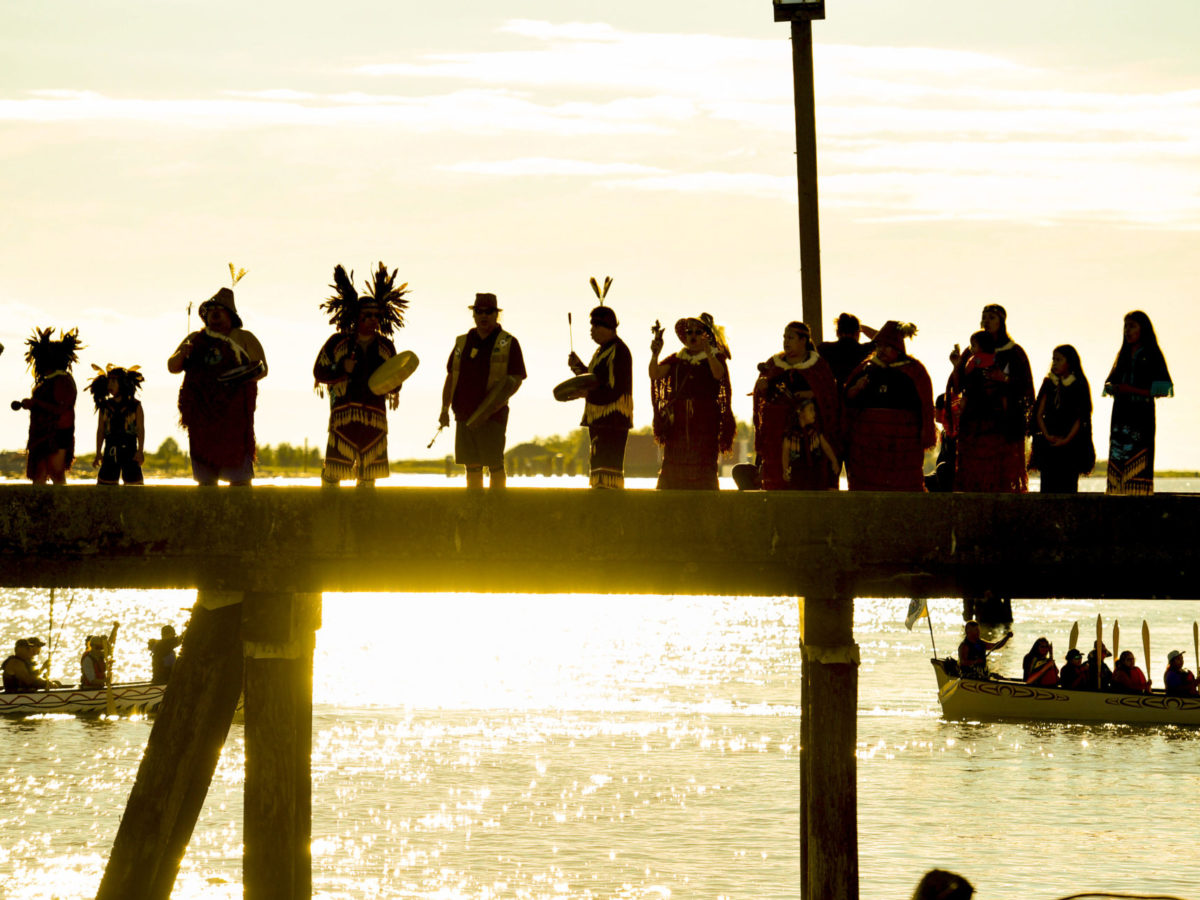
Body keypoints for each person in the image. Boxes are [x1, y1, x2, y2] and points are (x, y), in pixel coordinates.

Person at [313, 263, 410, 487]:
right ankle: (328, 509)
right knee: (334, 473)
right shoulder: (338, 342)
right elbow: (319, 371)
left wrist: (394, 384)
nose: (373, 320)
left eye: (377, 315)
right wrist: (340, 369)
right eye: (368, 315)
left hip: (374, 420)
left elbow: (396, 382)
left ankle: (365, 516)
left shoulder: (386, 347)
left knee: (368, 478)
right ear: (357, 316)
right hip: (343, 418)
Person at [168, 280, 268, 486]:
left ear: (230, 314)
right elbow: (172, 366)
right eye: (210, 310)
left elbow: (262, 369)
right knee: (206, 483)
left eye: (219, 310)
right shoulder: (195, 338)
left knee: (239, 483)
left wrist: (236, 378)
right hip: (202, 418)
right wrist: (182, 354)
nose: (214, 314)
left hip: (233, 418)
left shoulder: (243, 337)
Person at [439, 293, 526, 490]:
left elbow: (516, 379)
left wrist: (494, 403)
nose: (483, 316)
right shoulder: (462, 342)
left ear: (496, 314)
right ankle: (474, 505)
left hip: (493, 414)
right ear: (474, 314)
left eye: (488, 312)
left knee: (494, 463)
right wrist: (444, 409)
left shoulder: (508, 342)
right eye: (479, 312)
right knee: (472, 465)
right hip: (463, 413)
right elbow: (451, 377)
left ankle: (497, 504)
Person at [842, 321, 935, 492]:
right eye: (879, 346)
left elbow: (926, 406)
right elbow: (847, 400)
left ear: (898, 347)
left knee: (902, 488)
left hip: (902, 444)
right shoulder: (865, 368)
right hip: (867, 444)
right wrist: (856, 389)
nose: (882, 350)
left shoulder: (915, 371)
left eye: (888, 346)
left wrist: (926, 432)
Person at [952, 304, 1034, 493]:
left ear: (1002, 322)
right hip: (974, 422)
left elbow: (1025, 387)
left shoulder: (1014, 352)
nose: (986, 321)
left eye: (991, 317)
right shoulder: (970, 351)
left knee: (1001, 474)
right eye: (984, 317)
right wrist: (957, 366)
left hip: (1003, 422)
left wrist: (1003, 379)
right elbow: (958, 387)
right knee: (973, 471)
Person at [649, 313, 736, 490]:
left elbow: (718, 375)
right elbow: (655, 374)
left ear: (707, 336)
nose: (693, 336)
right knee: (673, 464)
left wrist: (708, 353)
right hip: (678, 425)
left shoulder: (715, 358)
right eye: (689, 332)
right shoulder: (676, 359)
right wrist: (654, 354)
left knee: (704, 466)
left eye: (698, 332)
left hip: (705, 424)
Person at [752, 321, 839, 490]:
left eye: (790, 337)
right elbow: (763, 398)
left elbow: (830, 397)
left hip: (808, 436)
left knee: (807, 480)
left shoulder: (818, 366)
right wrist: (762, 388)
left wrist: (812, 394)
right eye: (784, 337)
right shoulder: (774, 364)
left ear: (803, 340)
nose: (786, 341)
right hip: (777, 434)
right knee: (779, 479)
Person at [1104, 310, 1173, 496]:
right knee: (1118, 459)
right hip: (1120, 416)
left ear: (1143, 329)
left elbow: (1164, 388)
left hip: (1141, 416)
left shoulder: (1152, 354)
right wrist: (1113, 387)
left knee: (1139, 460)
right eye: (1125, 326)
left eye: (1132, 326)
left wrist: (1131, 390)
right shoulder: (1123, 355)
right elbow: (1110, 381)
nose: (1127, 330)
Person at [567, 304, 633, 489]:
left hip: (613, 419)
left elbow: (617, 389)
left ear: (608, 327)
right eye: (591, 327)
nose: (591, 331)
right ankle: (600, 505)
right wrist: (578, 368)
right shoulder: (602, 352)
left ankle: (610, 506)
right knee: (598, 469)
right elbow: (595, 380)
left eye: (595, 327)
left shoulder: (619, 351)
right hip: (599, 418)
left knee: (608, 469)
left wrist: (588, 393)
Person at [17, 327, 82, 484]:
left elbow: (60, 408)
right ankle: (39, 507)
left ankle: (61, 507)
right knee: (39, 472)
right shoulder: (48, 381)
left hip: (58, 433)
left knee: (55, 471)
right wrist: (32, 404)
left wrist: (35, 403)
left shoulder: (63, 380)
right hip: (41, 434)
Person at [1028, 345, 1095, 493]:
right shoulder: (1048, 384)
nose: (1055, 363)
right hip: (1049, 444)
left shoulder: (1079, 385)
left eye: (1059, 359)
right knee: (1047, 487)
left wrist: (1065, 440)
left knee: (1068, 486)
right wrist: (1047, 435)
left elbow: (1081, 418)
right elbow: (1039, 414)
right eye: (1053, 359)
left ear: (1069, 362)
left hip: (1071, 446)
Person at [88, 365, 146, 485]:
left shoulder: (135, 406)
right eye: (109, 381)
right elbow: (101, 430)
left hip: (130, 451)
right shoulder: (105, 406)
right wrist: (98, 453)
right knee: (105, 488)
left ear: (123, 384)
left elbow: (140, 429)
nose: (110, 385)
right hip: (110, 451)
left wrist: (140, 451)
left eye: (114, 382)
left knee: (135, 489)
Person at [816, 312, 878, 390]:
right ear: (857, 333)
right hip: (857, 394)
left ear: (837, 332)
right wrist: (862, 328)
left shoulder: (824, 348)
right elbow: (883, 338)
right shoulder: (863, 350)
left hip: (833, 393)